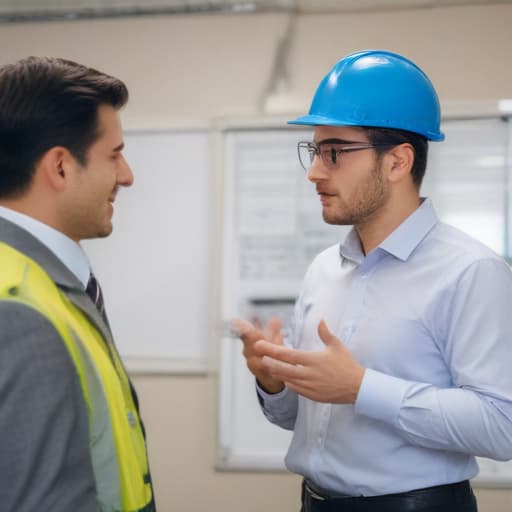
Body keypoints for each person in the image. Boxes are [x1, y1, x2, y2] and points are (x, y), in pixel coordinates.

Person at [233, 49, 512, 512]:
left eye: (335, 153)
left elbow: (503, 426)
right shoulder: (323, 269)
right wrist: (273, 383)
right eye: (315, 151)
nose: (315, 172)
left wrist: (363, 388)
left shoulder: (471, 272)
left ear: (398, 162)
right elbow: (303, 422)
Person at [0, 57, 155, 511]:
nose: (126, 175)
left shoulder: (45, 277)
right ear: (61, 167)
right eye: (114, 154)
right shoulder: (18, 312)